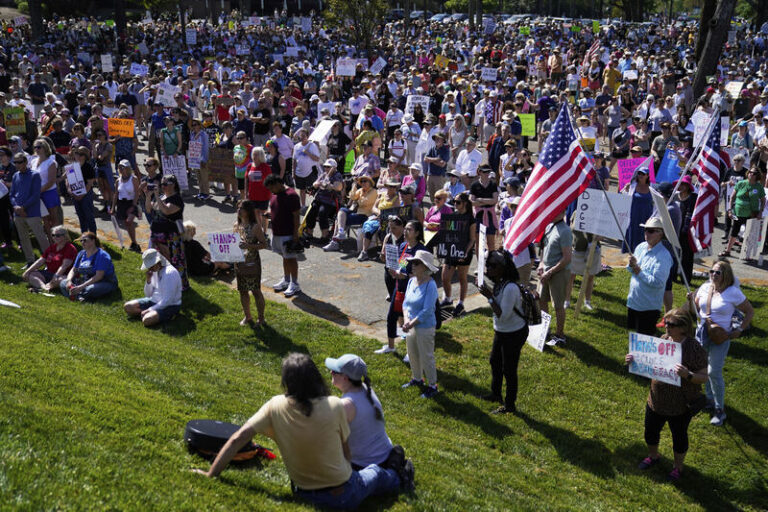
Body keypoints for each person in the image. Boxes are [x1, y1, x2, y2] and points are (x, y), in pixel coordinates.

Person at [193, 353, 412, 510]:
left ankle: (393, 471)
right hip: (342, 495)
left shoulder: (274, 405)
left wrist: (211, 474)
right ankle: (398, 475)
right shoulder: (336, 405)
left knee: (371, 472)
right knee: (375, 473)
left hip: (301, 492)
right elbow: (346, 454)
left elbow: (237, 438)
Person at [625, 309, 708, 482]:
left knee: (679, 436)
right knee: (651, 430)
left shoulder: (694, 349)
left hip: (680, 405)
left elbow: (704, 377)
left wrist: (688, 375)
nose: (667, 327)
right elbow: (650, 361)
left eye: (671, 325)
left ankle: (678, 467)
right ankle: (653, 456)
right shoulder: (663, 340)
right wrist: (634, 360)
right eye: (666, 323)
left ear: (683, 328)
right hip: (656, 399)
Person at [691, 260, 754, 426]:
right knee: (703, 368)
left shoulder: (733, 292)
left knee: (714, 372)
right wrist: (691, 301)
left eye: (717, 272)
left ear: (726, 275)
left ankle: (720, 410)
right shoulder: (705, 287)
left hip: (720, 336)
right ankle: (709, 399)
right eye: (711, 271)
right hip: (702, 334)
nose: (713, 275)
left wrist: (740, 329)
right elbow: (696, 310)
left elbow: (749, 311)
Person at [325, 353, 411, 472]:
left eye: (334, 371)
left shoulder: (346, 405)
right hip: (385, 454)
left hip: (364, 464)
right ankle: (394, 465)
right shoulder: (366, 388)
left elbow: (330, 438)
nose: (331, 373)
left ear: (345, 378)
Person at [478, 249, 529, 414]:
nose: (488, 269)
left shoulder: (510, 288)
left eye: (492, 265)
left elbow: (504, 315)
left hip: (513, 332)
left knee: (509, 369)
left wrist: (489, 297)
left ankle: (509, 405)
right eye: (488, 265)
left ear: (502, 267)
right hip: (502, 331)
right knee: (495, 361)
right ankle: (495, 393)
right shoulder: (500, 282)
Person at [377, 220, 426, 355]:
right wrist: (396, 271)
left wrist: (406, 276)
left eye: (409, 229)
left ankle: (411, 353)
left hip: (415, 290)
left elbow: (425, 273)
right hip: (400, 288)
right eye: (406, 229)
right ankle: (391, 346)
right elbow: (402, 264)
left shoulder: (421, 250)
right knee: (392, 316)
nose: (405, 231)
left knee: (411, 321)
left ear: (416, 233)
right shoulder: (404, 246)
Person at [400, 250, 440, 399]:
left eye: (416, 263)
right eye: (412, 263)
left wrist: (411, 323)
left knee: (426, 356)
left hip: (424, 327)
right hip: (410, 325)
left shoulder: (431, 285)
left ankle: (432, 385)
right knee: (412, 354)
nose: (412, 265)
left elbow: (428, 310)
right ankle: (417, 379)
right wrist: (406, 321)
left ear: (425, 266)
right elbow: (405, 304)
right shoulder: (411, 281)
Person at [626, 217, 673, 335]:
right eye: (646, 230)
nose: (646, 233)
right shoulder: (641, 247)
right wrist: (631, 265)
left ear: (660, 233)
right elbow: (631, 269)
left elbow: (658, 282)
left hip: (648, 308)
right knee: (634, 338)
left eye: (651, 231)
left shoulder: (664, 256)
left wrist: (638, 271)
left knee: (644, 341)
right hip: (633, 302)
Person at [146, 174, 189, 291]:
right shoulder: (161, 196)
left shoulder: (177, 199)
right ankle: (163, 282)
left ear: (173, 185)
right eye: (162, 184)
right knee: (159, 262)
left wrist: (156, 196)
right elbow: (149, 209)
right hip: (157, 234)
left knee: (172, 260)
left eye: (165, 184)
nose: (162, 186)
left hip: (170, 236)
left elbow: (166, 210)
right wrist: (148, 196)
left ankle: (178, 285)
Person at [537, 210, 572, 347]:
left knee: (558, 305)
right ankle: (545, 329)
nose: (550, 212)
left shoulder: (565, 231)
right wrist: (541, 263)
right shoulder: (549, 226)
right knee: (542, 300)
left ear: (562, 212)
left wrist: (550, 271)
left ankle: (560, 335)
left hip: (558, 273)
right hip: (546, 271)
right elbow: (544, 248)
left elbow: (567, 257)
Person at [10, 151, 50, 266]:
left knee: (41, 237)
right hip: (18, 213)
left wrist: (23, 207)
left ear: (26, 162)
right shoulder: (15, 176)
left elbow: (35, 195)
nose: (17, 165)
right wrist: (16, 206)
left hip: (32, 212)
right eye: (15, 162)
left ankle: (50, 261)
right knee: (23, 238)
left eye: (20, 162)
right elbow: (12, 194)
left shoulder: (34, 175)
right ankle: (30, 261)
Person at [124, 249, 182, 327]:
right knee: (128, 307)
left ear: (158, 262)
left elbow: (168, 300)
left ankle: (166, 315)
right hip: (154, 301)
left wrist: (150, 309)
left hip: (170, 305)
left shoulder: (170, 273)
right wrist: (148, 281)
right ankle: (149, 315)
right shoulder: (154, 271)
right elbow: (148, 295)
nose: (149, 269)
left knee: (147, 321)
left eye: (151, 265)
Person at [440, 192, 476, 317]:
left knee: (462, 278)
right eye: (454, 202)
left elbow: (472, 239)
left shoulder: (471, 219)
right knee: (445, 277)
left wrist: (465, 252)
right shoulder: (452, 216)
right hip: (451, 252)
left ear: (465, 203)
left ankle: (461, 303)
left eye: (458, 202)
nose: (455, 204)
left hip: (463, 253)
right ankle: (448, 299)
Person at [266, 174, 302, 298]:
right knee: (285, 258)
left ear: (278, 184)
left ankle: (295, 283)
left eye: (272, 188)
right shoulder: (275, 195)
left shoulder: (291, 195)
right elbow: (276, 209)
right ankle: (286, 280)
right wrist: (269, 214)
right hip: (276, 233)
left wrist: (295, 234)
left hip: (287, 234)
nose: (271, 191)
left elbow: (296, 216)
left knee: (291, 258)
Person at [235, 200, 269, 327]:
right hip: (239, 262)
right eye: (238, 208)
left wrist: (249, 245)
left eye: (241, 208)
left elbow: (264, 244)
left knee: (255, 291)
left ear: (248, 211)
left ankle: (261, 318)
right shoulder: (237, 225)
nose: (239, 210)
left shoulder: (255, 227)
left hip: (252, 262)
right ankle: (248, 316)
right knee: (242, 290)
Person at [720, 167, 765, 259]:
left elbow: (763, 200)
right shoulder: (741, 183)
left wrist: (760, 212)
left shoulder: (759, 187)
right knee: (734, 232)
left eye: (754, 173)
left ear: (757, 176)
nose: (751, 174)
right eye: (750, 172)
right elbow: (732, 197)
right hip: (738, 212)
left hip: (752, 213)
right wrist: (729, 210)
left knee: (750, 234)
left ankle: (747, 254)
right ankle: (728, 251)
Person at [59, 232, 118, 301]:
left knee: (90, 289)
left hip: (105, 282)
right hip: (86, 281)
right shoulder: (81, 253)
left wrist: (81, 287)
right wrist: (69, 281)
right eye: (81, 240)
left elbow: (99, 276)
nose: (82, 242)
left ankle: (76, 295)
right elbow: (74, 270)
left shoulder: (102, 255)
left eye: (85, 240)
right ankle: (79, 296)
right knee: (63, 283)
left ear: (93, 241)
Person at [22, 225, 77, 292]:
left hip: (63, 274)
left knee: (62, 280)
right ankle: (44, 287)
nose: (55, 237)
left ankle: (47, 286)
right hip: (49, 273)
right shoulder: (52, 247)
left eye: (58, 235)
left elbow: (64, 266)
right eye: (53, 235)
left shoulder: (70, 248)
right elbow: (40, 261)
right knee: (30, 274)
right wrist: (27, 271)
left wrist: (56, 276)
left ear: (65, 236)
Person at [112, 159, 142, 252]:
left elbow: (137, 193)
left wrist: (133, 205)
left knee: (129, 221)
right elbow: (116, 194)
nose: (121, 169)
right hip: (122, 203)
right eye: (120, 167)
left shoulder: (134, 179)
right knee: (126, 223)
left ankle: (134, 243)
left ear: (128, 168)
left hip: (131, 202)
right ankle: (134, 243)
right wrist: (113, 207)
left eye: (123, 167)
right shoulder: (118, 180)